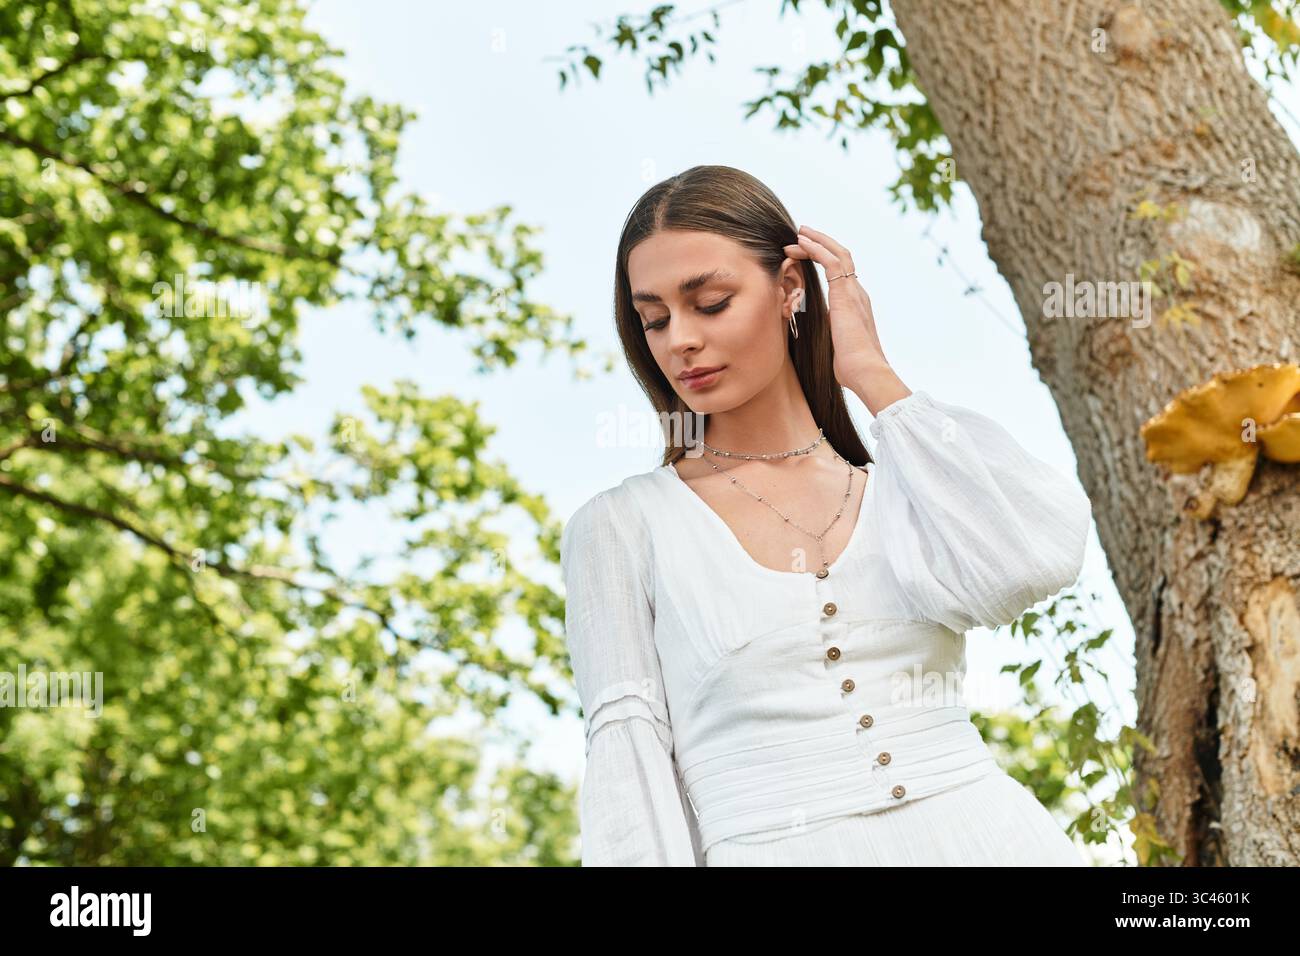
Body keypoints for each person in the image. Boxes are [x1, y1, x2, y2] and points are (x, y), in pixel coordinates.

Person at [560, 164, 1093, 866]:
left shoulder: (903, 488)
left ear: (789, 289)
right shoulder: (622, 527)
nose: (678, 340)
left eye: (710, 303)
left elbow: (1032, 562)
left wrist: (870, 371)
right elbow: (629, 768)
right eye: (653, 319)